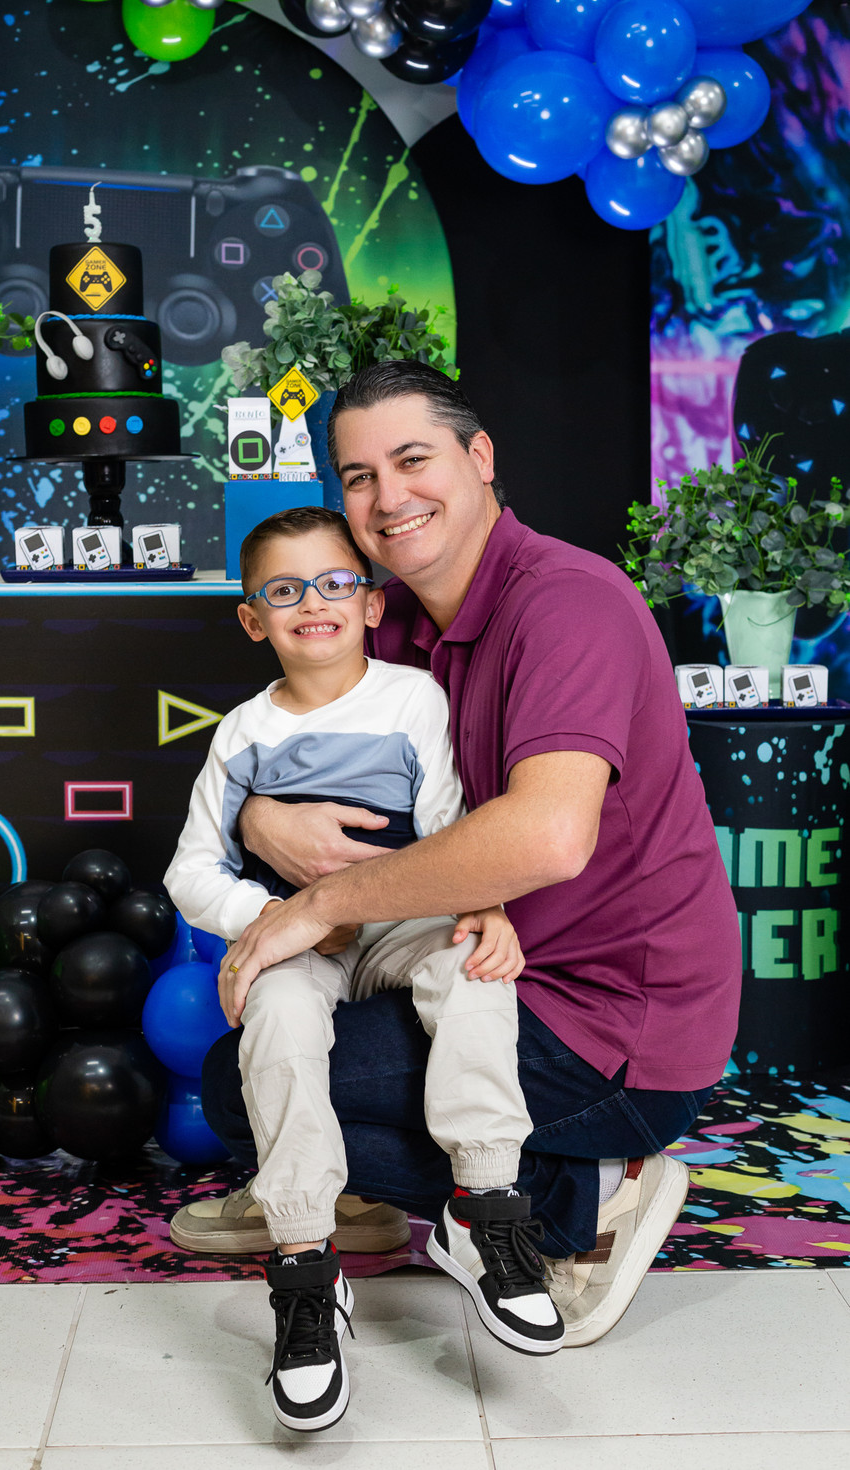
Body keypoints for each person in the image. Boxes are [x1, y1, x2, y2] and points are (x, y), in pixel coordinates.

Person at [180, 360, 741, 1360]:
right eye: (358, 477)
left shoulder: (568, 603)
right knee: (267, 1047)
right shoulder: (386, 619)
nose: (387, 497)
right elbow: (290, 749)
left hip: (609, 1020)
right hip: (469, 962)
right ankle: (355, 1195)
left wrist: (319, 904)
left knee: (239, 1090)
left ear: (479, 458)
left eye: (412, 460)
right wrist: (259, 816)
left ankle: (585, 1199)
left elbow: (547, 836)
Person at [164, 505, 563, 1434]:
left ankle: (486, 1203)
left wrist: (488, 905)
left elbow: (454, 822)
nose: (314, 603)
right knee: (277, 1021)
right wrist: (267, 920)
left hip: (407, 921)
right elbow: (190, 870)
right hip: (303, 940)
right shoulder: (242, 734)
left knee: (473, 969)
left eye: (336, 583)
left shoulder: (414, 699)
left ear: (373, 603)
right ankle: (306, 1264)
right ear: (253, 618)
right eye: (285, 590)